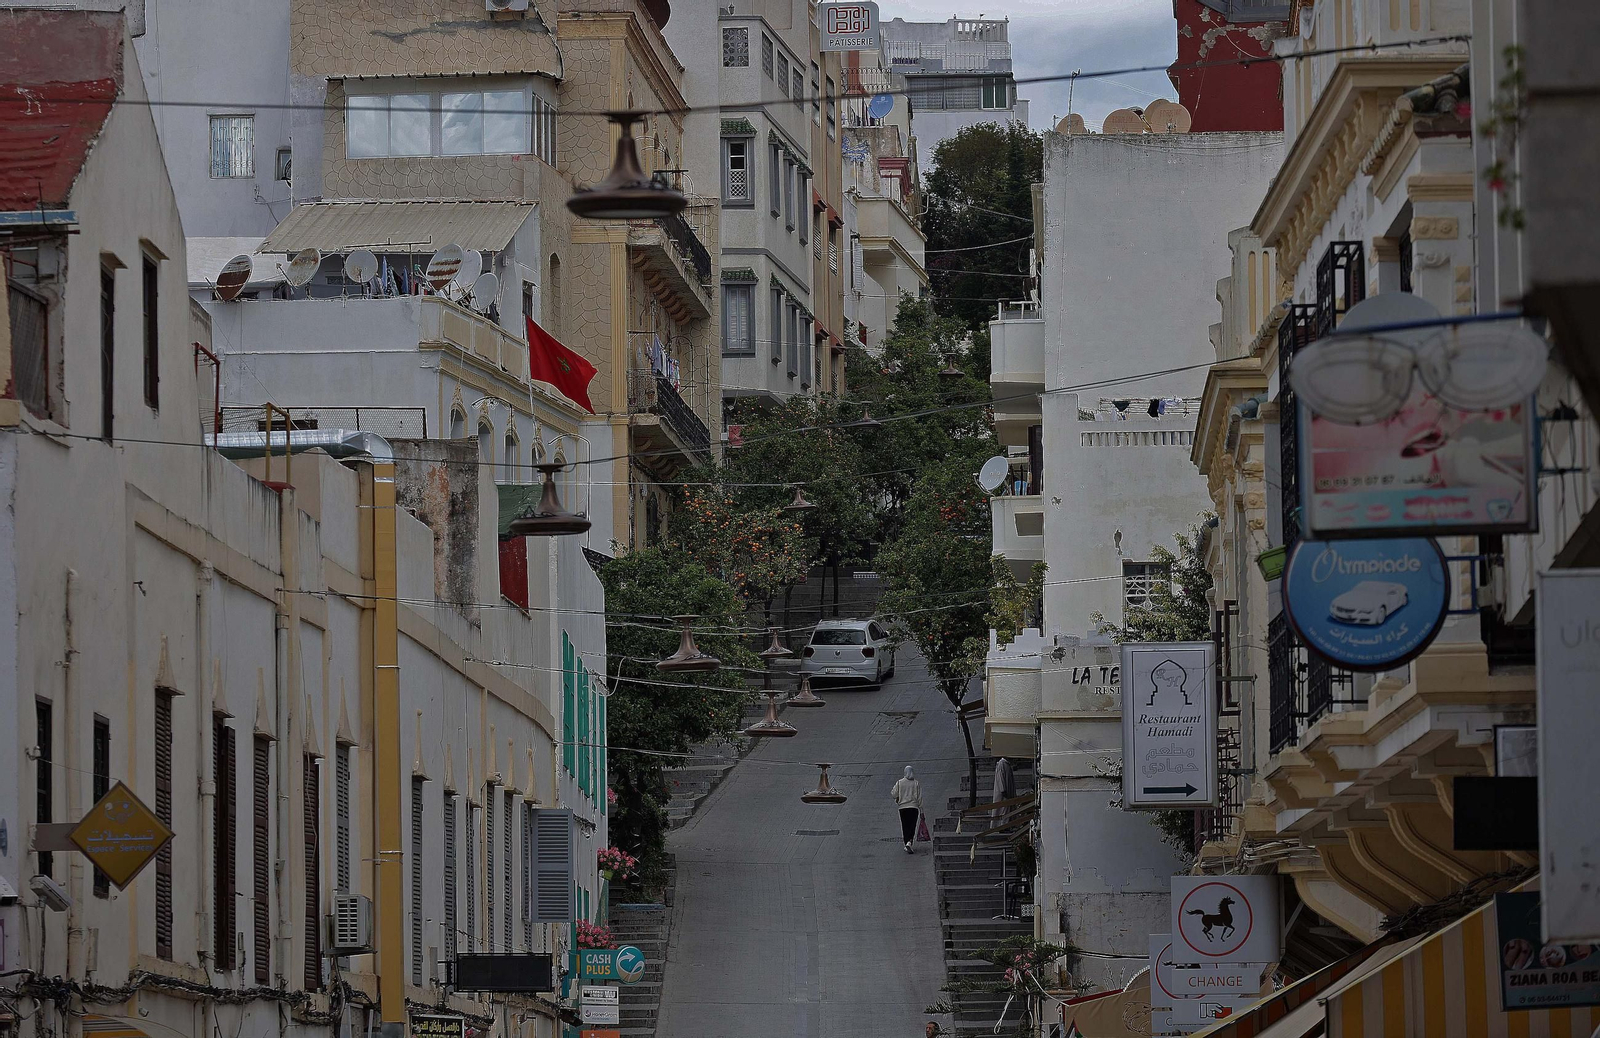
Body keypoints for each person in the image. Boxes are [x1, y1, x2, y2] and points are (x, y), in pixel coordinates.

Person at [891, 766, 923, 853]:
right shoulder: (916, 783)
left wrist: (898, 797)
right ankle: (910, 841)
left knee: (905, 826)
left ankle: (906, 843)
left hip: (903, 808)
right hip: (914, 808)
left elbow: (893, 794)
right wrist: (922, 811)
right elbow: (919, 798)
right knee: (912, 826)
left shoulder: (900, 783)